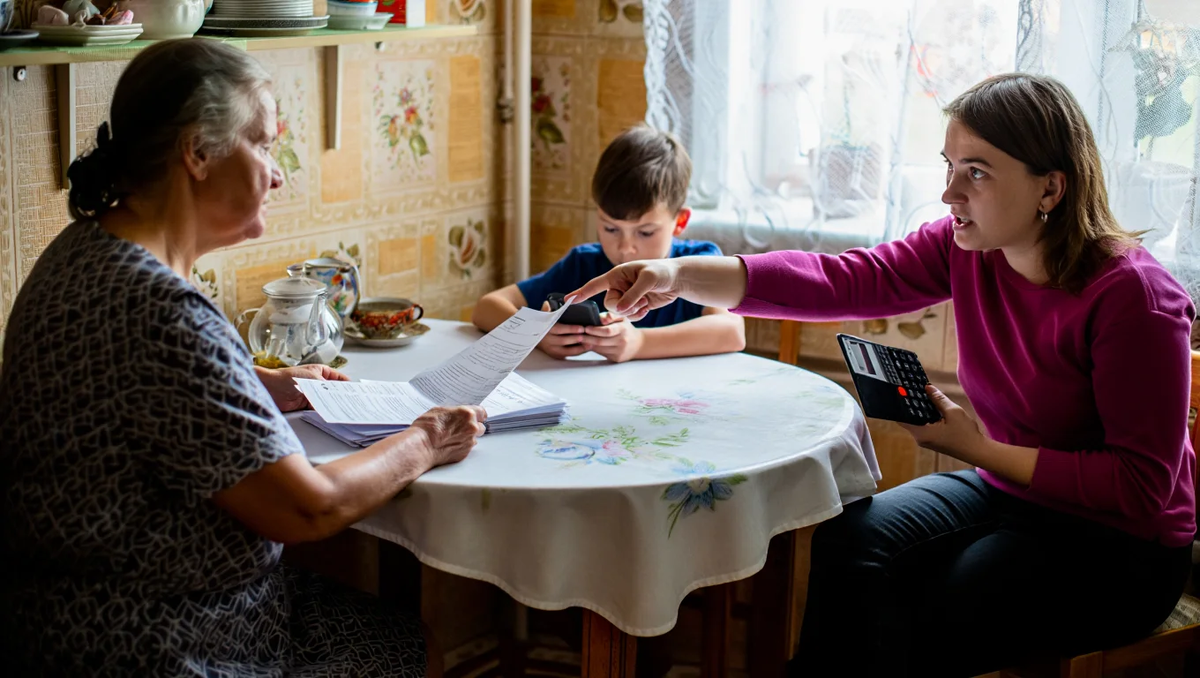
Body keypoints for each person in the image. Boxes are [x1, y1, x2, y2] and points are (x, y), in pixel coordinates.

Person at [569, 73, 1196, 676]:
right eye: (949, 167)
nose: (950, 194)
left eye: (976, 173)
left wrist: (976, 448)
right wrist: (676, 276)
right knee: (849, 541)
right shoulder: (966, 247)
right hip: (1013, 494)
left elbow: (1140, 486)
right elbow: (843, 279)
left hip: (1122, 546)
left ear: (1050, 189)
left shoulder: (1135, 300)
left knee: (933, 609)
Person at [0, 39, 486, 677]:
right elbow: (309, 507)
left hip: (84, 614)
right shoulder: (160, 311)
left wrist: (260, 383)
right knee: (410, 648)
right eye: (263, 144)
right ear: (198, 153)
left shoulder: (85, 249)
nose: (277, 173)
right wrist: (428, 437)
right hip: (161, 643)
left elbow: (142, 387)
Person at [471, 125, 745, 363]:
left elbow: (733, 332)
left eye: (645, 232)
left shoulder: (698, 261)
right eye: (611, 228)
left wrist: (640, 343)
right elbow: (487, 307)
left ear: (680, 221)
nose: (625, 248)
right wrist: (536, 335)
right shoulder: (582, 264)